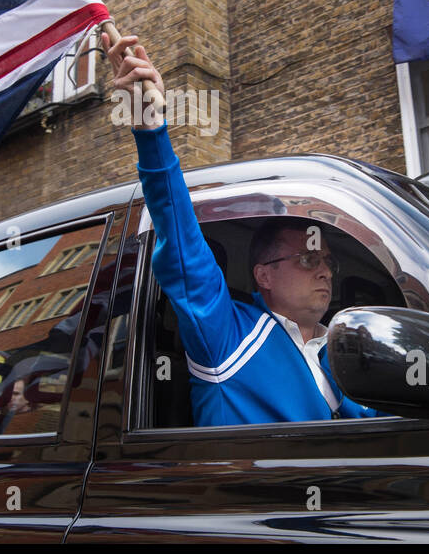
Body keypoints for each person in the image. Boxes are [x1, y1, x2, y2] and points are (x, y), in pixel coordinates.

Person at [102, 32, 379, 426]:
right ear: (263, 274)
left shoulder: (343, 350)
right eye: (307, 259)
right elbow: (181, 238)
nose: (324, 271)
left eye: (327, 263)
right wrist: (151, 130)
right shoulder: (227, 334)